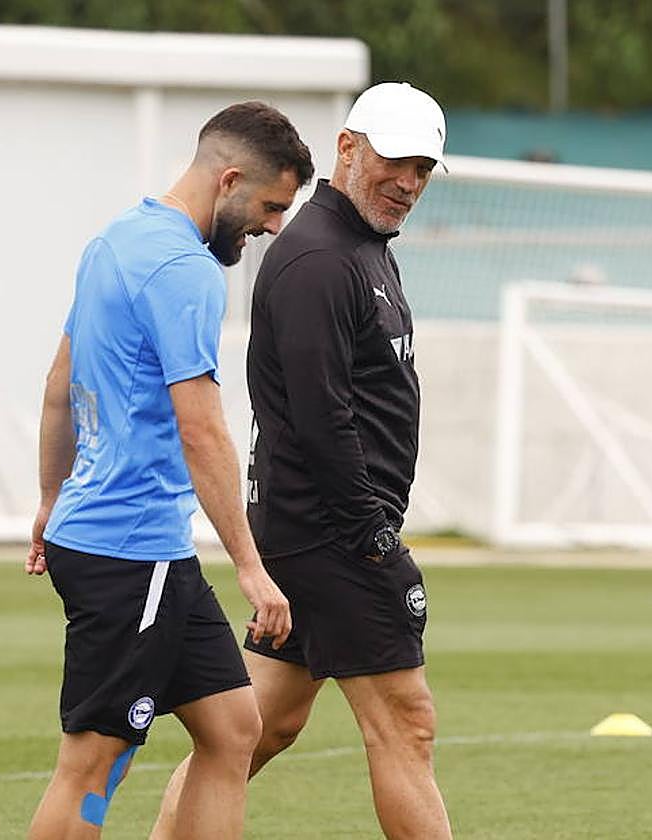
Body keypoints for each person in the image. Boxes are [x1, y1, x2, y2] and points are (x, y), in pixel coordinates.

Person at [152, 82, 453, 840]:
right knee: (406, 723)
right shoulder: (320, 257)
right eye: (397, 161)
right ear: (348, 149)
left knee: (255, 727)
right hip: (335, 536)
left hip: (315, 532)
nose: (409, 183)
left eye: (423, 168)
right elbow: (324, 422)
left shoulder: (360, 249)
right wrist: (375, 540)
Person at [25, 100, 314, 840]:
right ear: (230, 180)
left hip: (136, 547)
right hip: (130, 551)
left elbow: (60, 383)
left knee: (232, 727)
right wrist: (251, 567)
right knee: (92, 766)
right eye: (270, 206)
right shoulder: (185, 270)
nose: (273, 226)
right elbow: (203, 428)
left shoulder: (115, 239)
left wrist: (49, 500)